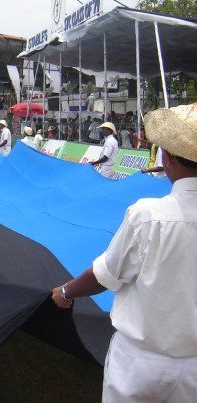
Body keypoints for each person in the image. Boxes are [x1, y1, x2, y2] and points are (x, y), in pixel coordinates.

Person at [51, 103, 197, 403]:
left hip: (139, 363)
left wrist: (65, 293)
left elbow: (105, 274)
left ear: (167, 159)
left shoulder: (149, 214)